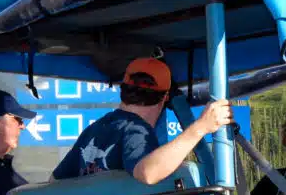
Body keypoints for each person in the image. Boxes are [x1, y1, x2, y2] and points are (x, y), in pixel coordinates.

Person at [51, 57, 232, 183]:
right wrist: (200, 128)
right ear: (165, 97)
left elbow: (53, 182)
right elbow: (148, 173)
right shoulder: (136, 131)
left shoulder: (95, 130)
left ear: (123, 88)